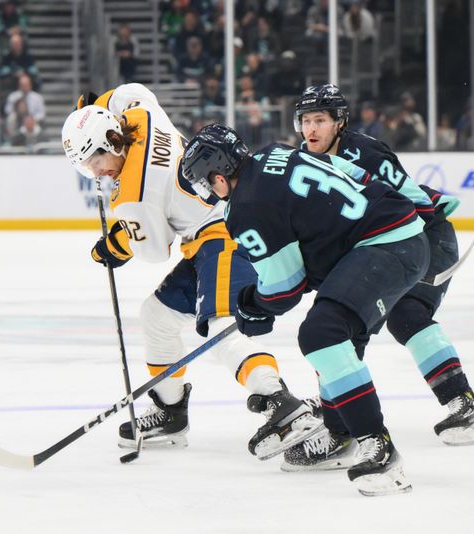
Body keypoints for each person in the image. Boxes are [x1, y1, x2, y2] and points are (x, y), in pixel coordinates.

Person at [61, 83, 321, 458]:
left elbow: (152, 249)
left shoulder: (131, 195)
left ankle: (281, 404)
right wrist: (94, 106)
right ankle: (171, 410)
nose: (96, 172)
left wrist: (115, 245)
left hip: (225, 237)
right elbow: (131, 91)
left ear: (110, 144)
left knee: (219, 329)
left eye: (95, 162)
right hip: (211, 235)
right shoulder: (141, 117)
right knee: (157, 315)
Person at [181, 123, 429, 496]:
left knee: (321, 333)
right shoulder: (272, 153)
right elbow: (345, 176)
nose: (209, 194)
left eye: (204, 184)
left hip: (385, 245)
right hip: (396, 235)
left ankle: (378, 447)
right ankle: (340, 432)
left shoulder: (246, 207)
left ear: (218, 174)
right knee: (339, 336)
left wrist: (253, 305)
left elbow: (285, 289)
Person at [290, 84, 474, 470]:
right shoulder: (303, 158)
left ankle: (463, 404)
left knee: (405, 316)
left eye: (319, 120)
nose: (311, 129)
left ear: (339, 122)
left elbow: (407, 206)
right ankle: (340, 417)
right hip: (373, 244)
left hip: (422, 234)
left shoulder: (366, 153)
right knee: (340, 328)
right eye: (305, 120)